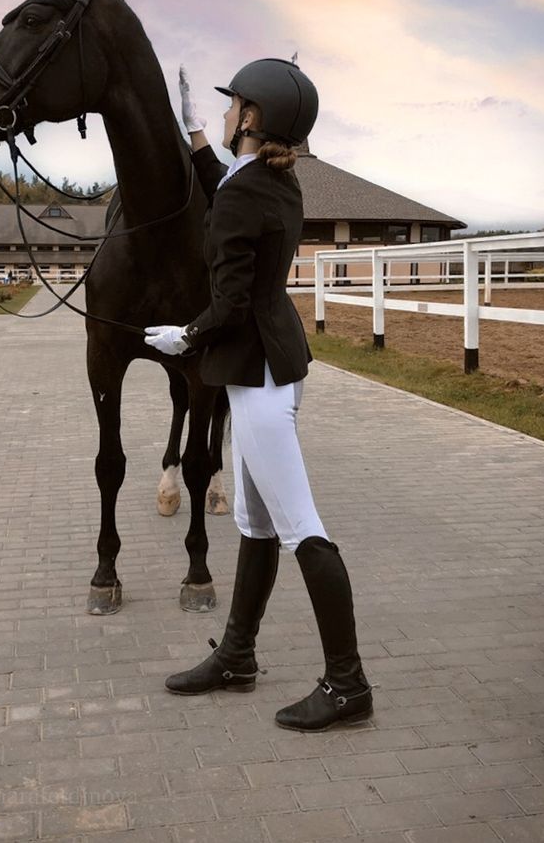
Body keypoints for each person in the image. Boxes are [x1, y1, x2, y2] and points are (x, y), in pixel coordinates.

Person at [144, 60, 372, 732]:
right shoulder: (274, 180)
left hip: (260, 374)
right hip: (271, 365)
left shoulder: (248, 193)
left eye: (232, 104)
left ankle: (348, 682)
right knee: (254, 520)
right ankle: (238, 657)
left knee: (300, 525)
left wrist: (186, 335)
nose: (224, 113)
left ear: (252, 119)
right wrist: (194, 143)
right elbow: (229, 196)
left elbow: (232, 300)